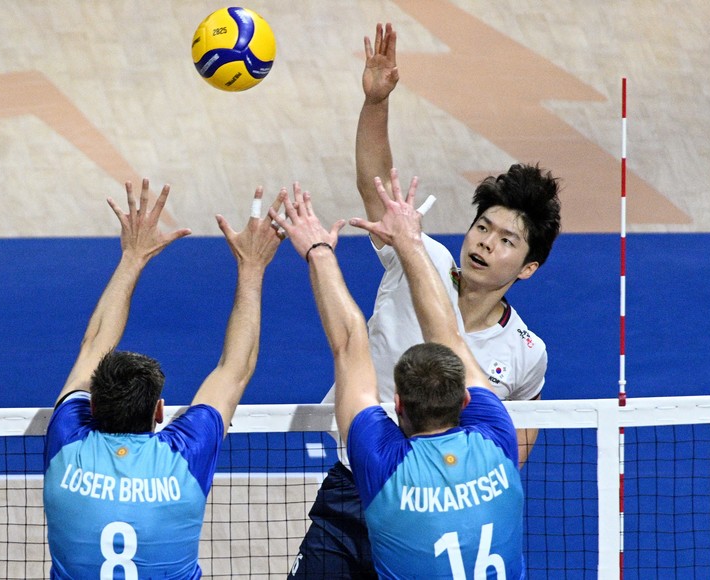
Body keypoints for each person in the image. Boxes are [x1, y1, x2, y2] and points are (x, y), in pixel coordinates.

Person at [290, 23, 561, 578]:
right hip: (354, 484)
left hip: (433, 513)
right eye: (483, 227)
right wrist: (375, 102)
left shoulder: (526, 352)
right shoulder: (422, 257)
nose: (486, 244)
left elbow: (511, 452)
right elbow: (374, 184)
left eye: (507, 241)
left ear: (529, 267)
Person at [274, 173, 525, 579]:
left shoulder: (384, 465)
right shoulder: (497, 440)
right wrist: (410, 242)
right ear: (466, 401)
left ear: (397, 407)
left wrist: (319, 252)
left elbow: (349, 343)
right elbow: (450, 337)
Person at [43, 179, 284, 579]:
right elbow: (235, 368)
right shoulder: (184, 455)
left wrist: (132, 257)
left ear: (94, 406)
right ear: (159, 412)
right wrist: (252, 267)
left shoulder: (68, 443)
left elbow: (93, 345)